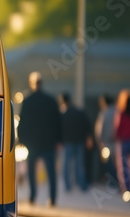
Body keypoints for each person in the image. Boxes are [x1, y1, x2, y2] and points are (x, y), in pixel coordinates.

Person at [17, 71, 62, 206]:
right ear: (42, 84)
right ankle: (53, 199)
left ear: (32, 84)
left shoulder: (28, 100)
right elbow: (57, 121)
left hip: (33, 142)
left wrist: (21, 139)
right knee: (51, 172)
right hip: (49, 142)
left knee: (31, 171)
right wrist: (59, 139)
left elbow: (22, 121)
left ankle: (32, 196)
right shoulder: (51, 100)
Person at [59, 92, 93, 193]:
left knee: (66, 166)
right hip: (79, 141)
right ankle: (82, 185)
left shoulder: (63, 115)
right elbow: (88, 125)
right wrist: (88, 138)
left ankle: (68, 186)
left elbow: (59, 129)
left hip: (68, 142)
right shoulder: (80, 112)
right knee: (79, 165)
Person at [94, 94, 117, 184]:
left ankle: (112, 183)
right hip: (118, 142)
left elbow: (100, 130)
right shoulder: (118, 111)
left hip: (107, 142)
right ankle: (118, 183)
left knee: (109, 164)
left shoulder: (104, 113)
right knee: (117, 163)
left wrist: (100, 142)